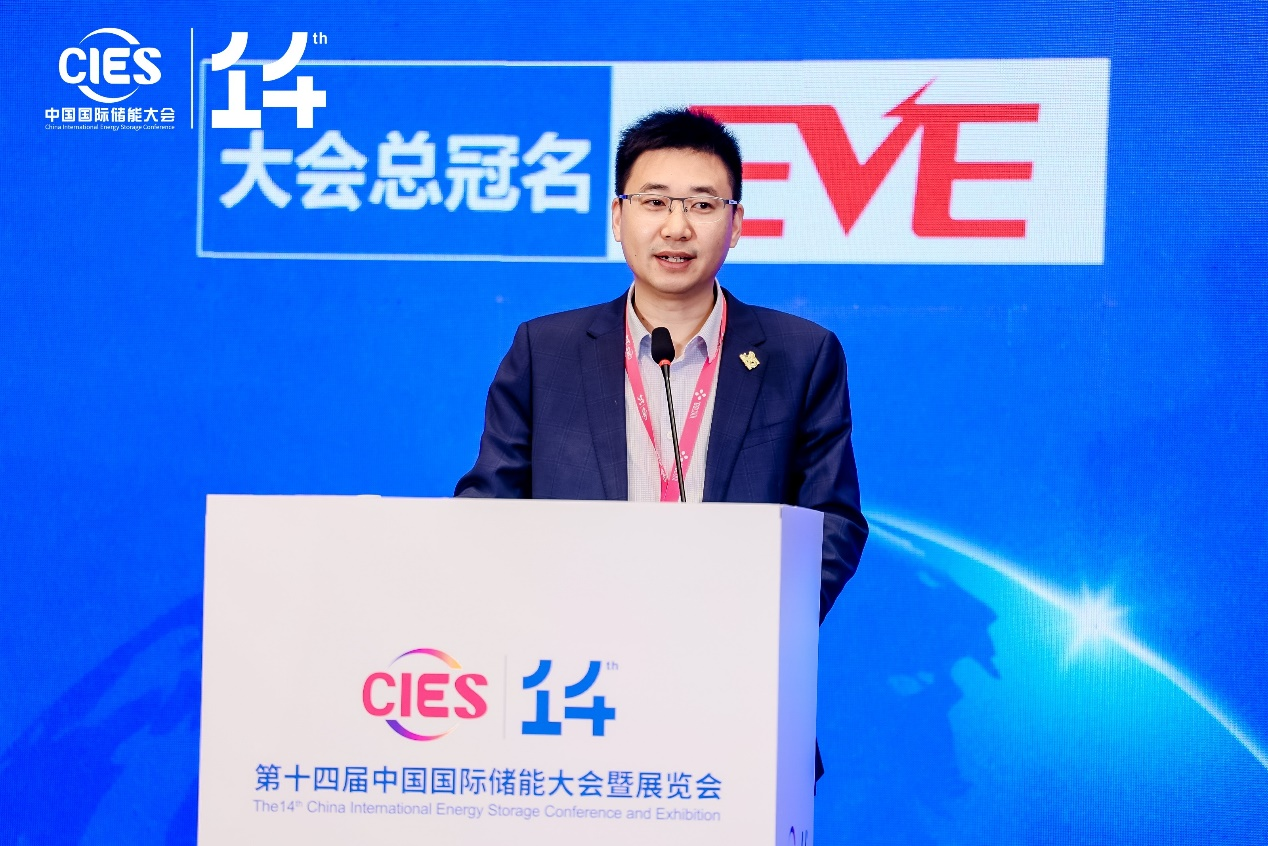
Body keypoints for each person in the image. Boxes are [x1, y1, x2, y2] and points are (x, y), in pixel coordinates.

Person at [454, 108, 868, 781]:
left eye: (702, 205)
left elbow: (833, 524)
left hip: (735, 700)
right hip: (573, 697)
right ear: (618, 218)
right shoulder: (544, 351)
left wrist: (747, 629)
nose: (677, 227)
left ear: (736, 223)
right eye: (654, 202)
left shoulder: (801, 355)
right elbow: (487, 513)